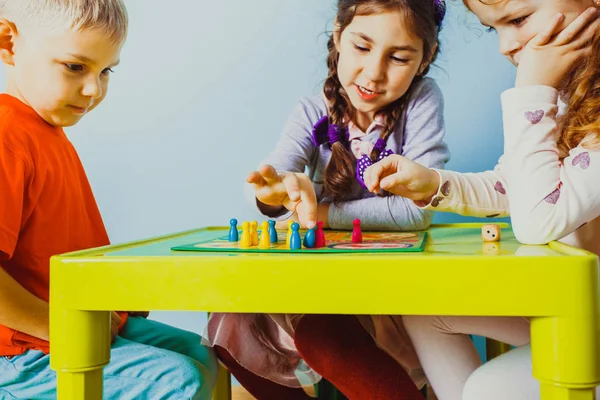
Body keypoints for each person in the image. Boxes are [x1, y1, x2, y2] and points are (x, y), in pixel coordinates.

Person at [205, 1, 450, 399]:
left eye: (399, 57)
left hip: (389, 288)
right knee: (231, 321)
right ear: (338, 36)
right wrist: (273, 196)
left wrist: (319, 211)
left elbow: (416, 210)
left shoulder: (422, 102)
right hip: (322, 282)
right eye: (362, 47)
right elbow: (276, 180)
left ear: (426, 59)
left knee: (325, 334)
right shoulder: (311, 109)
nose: (374, 73)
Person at [364, 1, 600, 398]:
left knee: (485, 389)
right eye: (494, 29)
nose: (506, 45)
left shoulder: (543, 96)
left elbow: (539, 217)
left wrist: (530, 91)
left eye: (519, 19)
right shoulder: (566, 96)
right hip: (578, 308)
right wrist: (434, 184)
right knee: (426, 312)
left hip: (589, 320)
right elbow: (519, 185)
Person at [0, 1, 217, 398]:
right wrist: (62, 327)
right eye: (75, 67)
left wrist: (114, 299)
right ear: (8, 42)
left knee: (206, 357)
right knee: (182, 380)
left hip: (80, 320)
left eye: (106, 71)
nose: (93, 89)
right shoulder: (7, 136)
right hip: (19, 350)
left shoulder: (47, 131)